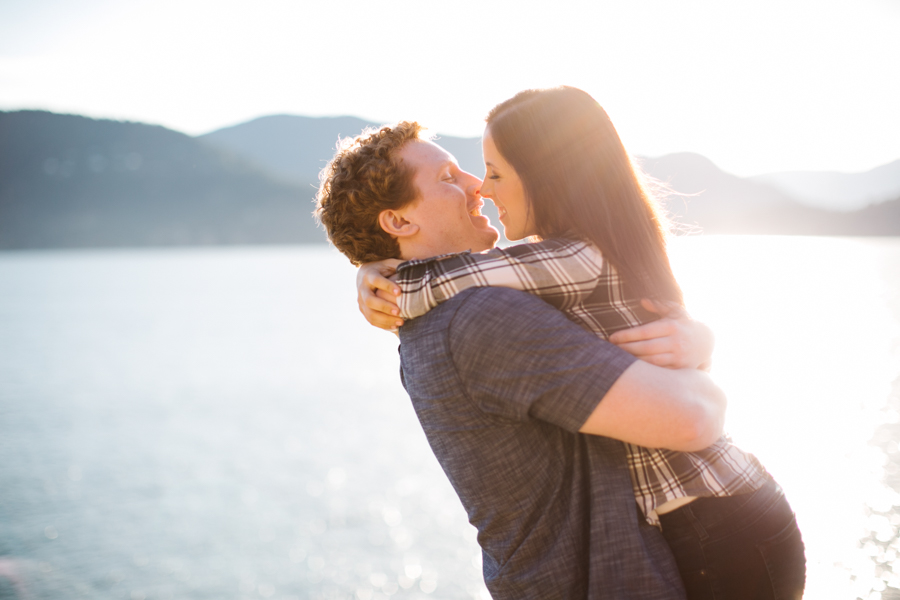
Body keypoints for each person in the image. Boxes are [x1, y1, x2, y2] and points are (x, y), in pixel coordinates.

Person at [357, 87, 806, 600]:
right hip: (711, 513)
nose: (482, 186)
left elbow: (439, 283)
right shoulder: (527, 281)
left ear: (547, 176)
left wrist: (386, 282)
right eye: (451, 176)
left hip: (713, 515)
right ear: (397, 219)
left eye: (495, 172)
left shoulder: (571, 259)